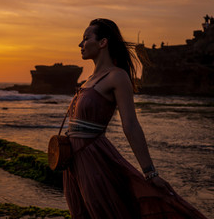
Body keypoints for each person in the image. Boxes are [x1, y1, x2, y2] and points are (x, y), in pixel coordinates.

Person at [63, 18, 208, 219]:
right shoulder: (88, 80)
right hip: (73, 162)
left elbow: (130, 125)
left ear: (103, 42)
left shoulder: (117, 76)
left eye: (86, 38)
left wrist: (150, 172)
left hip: (94, 159)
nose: (81, 44)